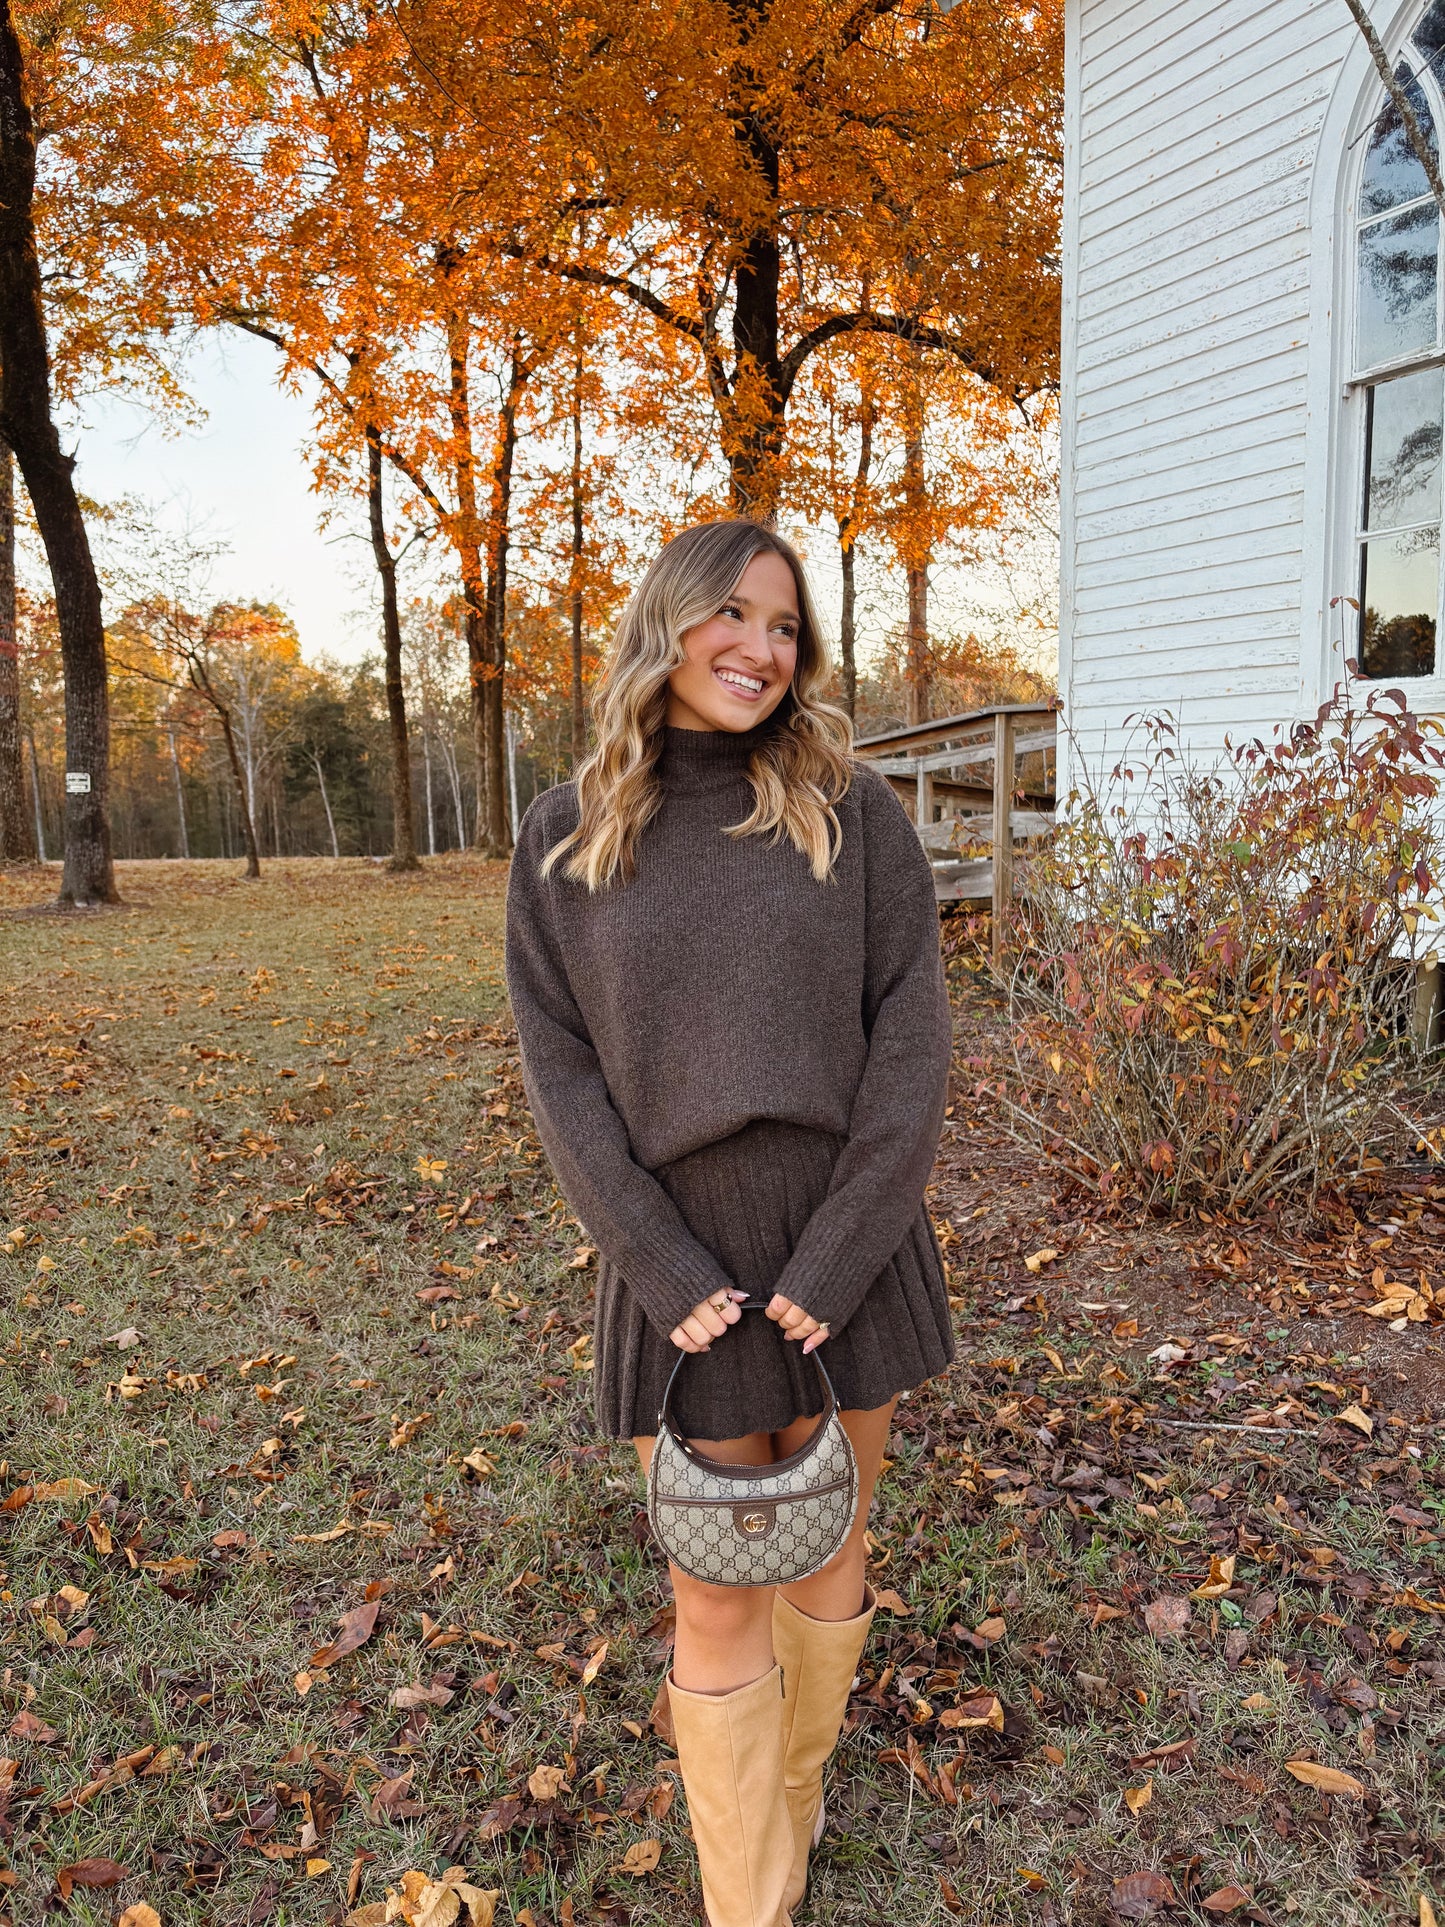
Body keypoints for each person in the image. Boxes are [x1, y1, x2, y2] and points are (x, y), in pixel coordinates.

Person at [504, 518, 954, 1926]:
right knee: (713, 1592)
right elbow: (558, 1069)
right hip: (680, 1270)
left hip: (845, 1250)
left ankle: (791, 1811)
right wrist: (652, 1258)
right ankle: (747, 1902)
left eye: (785, 627)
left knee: (830, 1548)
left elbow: (912, 1045)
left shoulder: (852, 814)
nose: (761, 649)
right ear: (670, 622)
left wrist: (845, 1248)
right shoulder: (568, 832)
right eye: (734, 616)